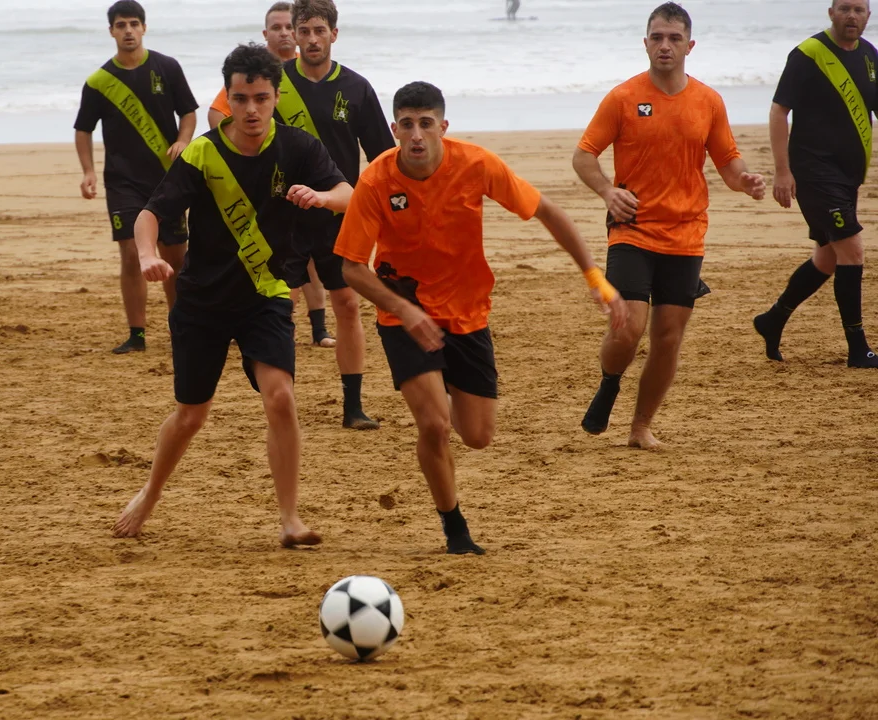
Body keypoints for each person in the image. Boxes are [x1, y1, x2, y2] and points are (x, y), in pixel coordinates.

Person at [338, 81, 627, 554]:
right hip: (404, 318)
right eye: (407, 125)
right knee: (434, 426)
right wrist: (404, 310)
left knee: (477, 436)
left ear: (443, 127)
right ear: (394, 129)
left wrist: (595, 277)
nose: (416, 135)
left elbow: (548, 212)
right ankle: (455, 529)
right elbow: (351, 268)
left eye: (426, 124)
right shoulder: (375, 181)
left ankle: (444, 390)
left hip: (468, 314)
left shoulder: (475, 164)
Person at [111, 43, 353, 547]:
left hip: (266, 294)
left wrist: (321, 197)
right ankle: (150, 493)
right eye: (240, 99)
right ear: (228, 98)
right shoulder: (203, 153)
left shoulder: (299, 148)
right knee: (191, 415)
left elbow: (348, 194)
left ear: (276, 96)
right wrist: (148, 253)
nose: (251, 110)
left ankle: (290, 519)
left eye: (261, 98)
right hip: (202, 302)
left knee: (281, 397)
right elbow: (150, 214)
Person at [573, 2, 766, 449]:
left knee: (667, 337)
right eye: (657, 37)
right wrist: (607, 191)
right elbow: (584, 156)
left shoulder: (708, 101)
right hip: (633, 228)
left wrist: (745, 182)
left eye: (674, 38)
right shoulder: (623, 97)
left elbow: (729, 164)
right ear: (645, 43)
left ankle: (641, 427)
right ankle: (609, 381)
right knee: (628, 326)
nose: (665, 46)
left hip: (686, 234)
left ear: (689, 46)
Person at [276, 0, 396, 429]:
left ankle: (353, 407)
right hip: (284, 215)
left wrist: (392, 208)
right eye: (304, 31)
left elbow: (382, 156)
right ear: (293, 33)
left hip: (339, 213)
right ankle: (281, 403)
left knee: (346, 304)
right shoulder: (274, 83)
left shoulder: (356, 88)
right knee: (279, 310)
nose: (311, 39)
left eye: (319, 31)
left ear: (334, 34)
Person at [753, 0, 878, 368]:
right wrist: (782, 171)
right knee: (852, 250)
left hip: (848, 175)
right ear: (831, 12)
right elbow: (779, 111)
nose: (852, 16)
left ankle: (773, 319)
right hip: (813, 171)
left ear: (868, 15)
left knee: (827, 258)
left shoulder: (869, 56)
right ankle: (858, 348)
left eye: (859, 9)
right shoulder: (808, 54)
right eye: (845, 8)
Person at [207, 1, 337, 349]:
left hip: (312, 177)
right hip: (265, 179)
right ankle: (265, 324)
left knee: (310, 256)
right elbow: (217, 113)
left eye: (288, 27)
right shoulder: (254, 74)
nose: (284, 34)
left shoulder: (308, 74)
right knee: (275, 254)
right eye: (276, 28)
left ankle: (319, 327)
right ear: (266, 34)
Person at [75, 0, 198, 354]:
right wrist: (88, 171)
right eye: (120, 25)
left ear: (144, 28)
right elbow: (83, 129)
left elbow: (188, 112)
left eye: (133, 24)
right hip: (122, 181)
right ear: (111, 31)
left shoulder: (167, 67)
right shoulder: (99, 82)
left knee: (175, 258)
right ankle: (137, 335)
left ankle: (180, 329)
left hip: (166, 179)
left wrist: (183, 141)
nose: (128, 30)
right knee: (131, 254)